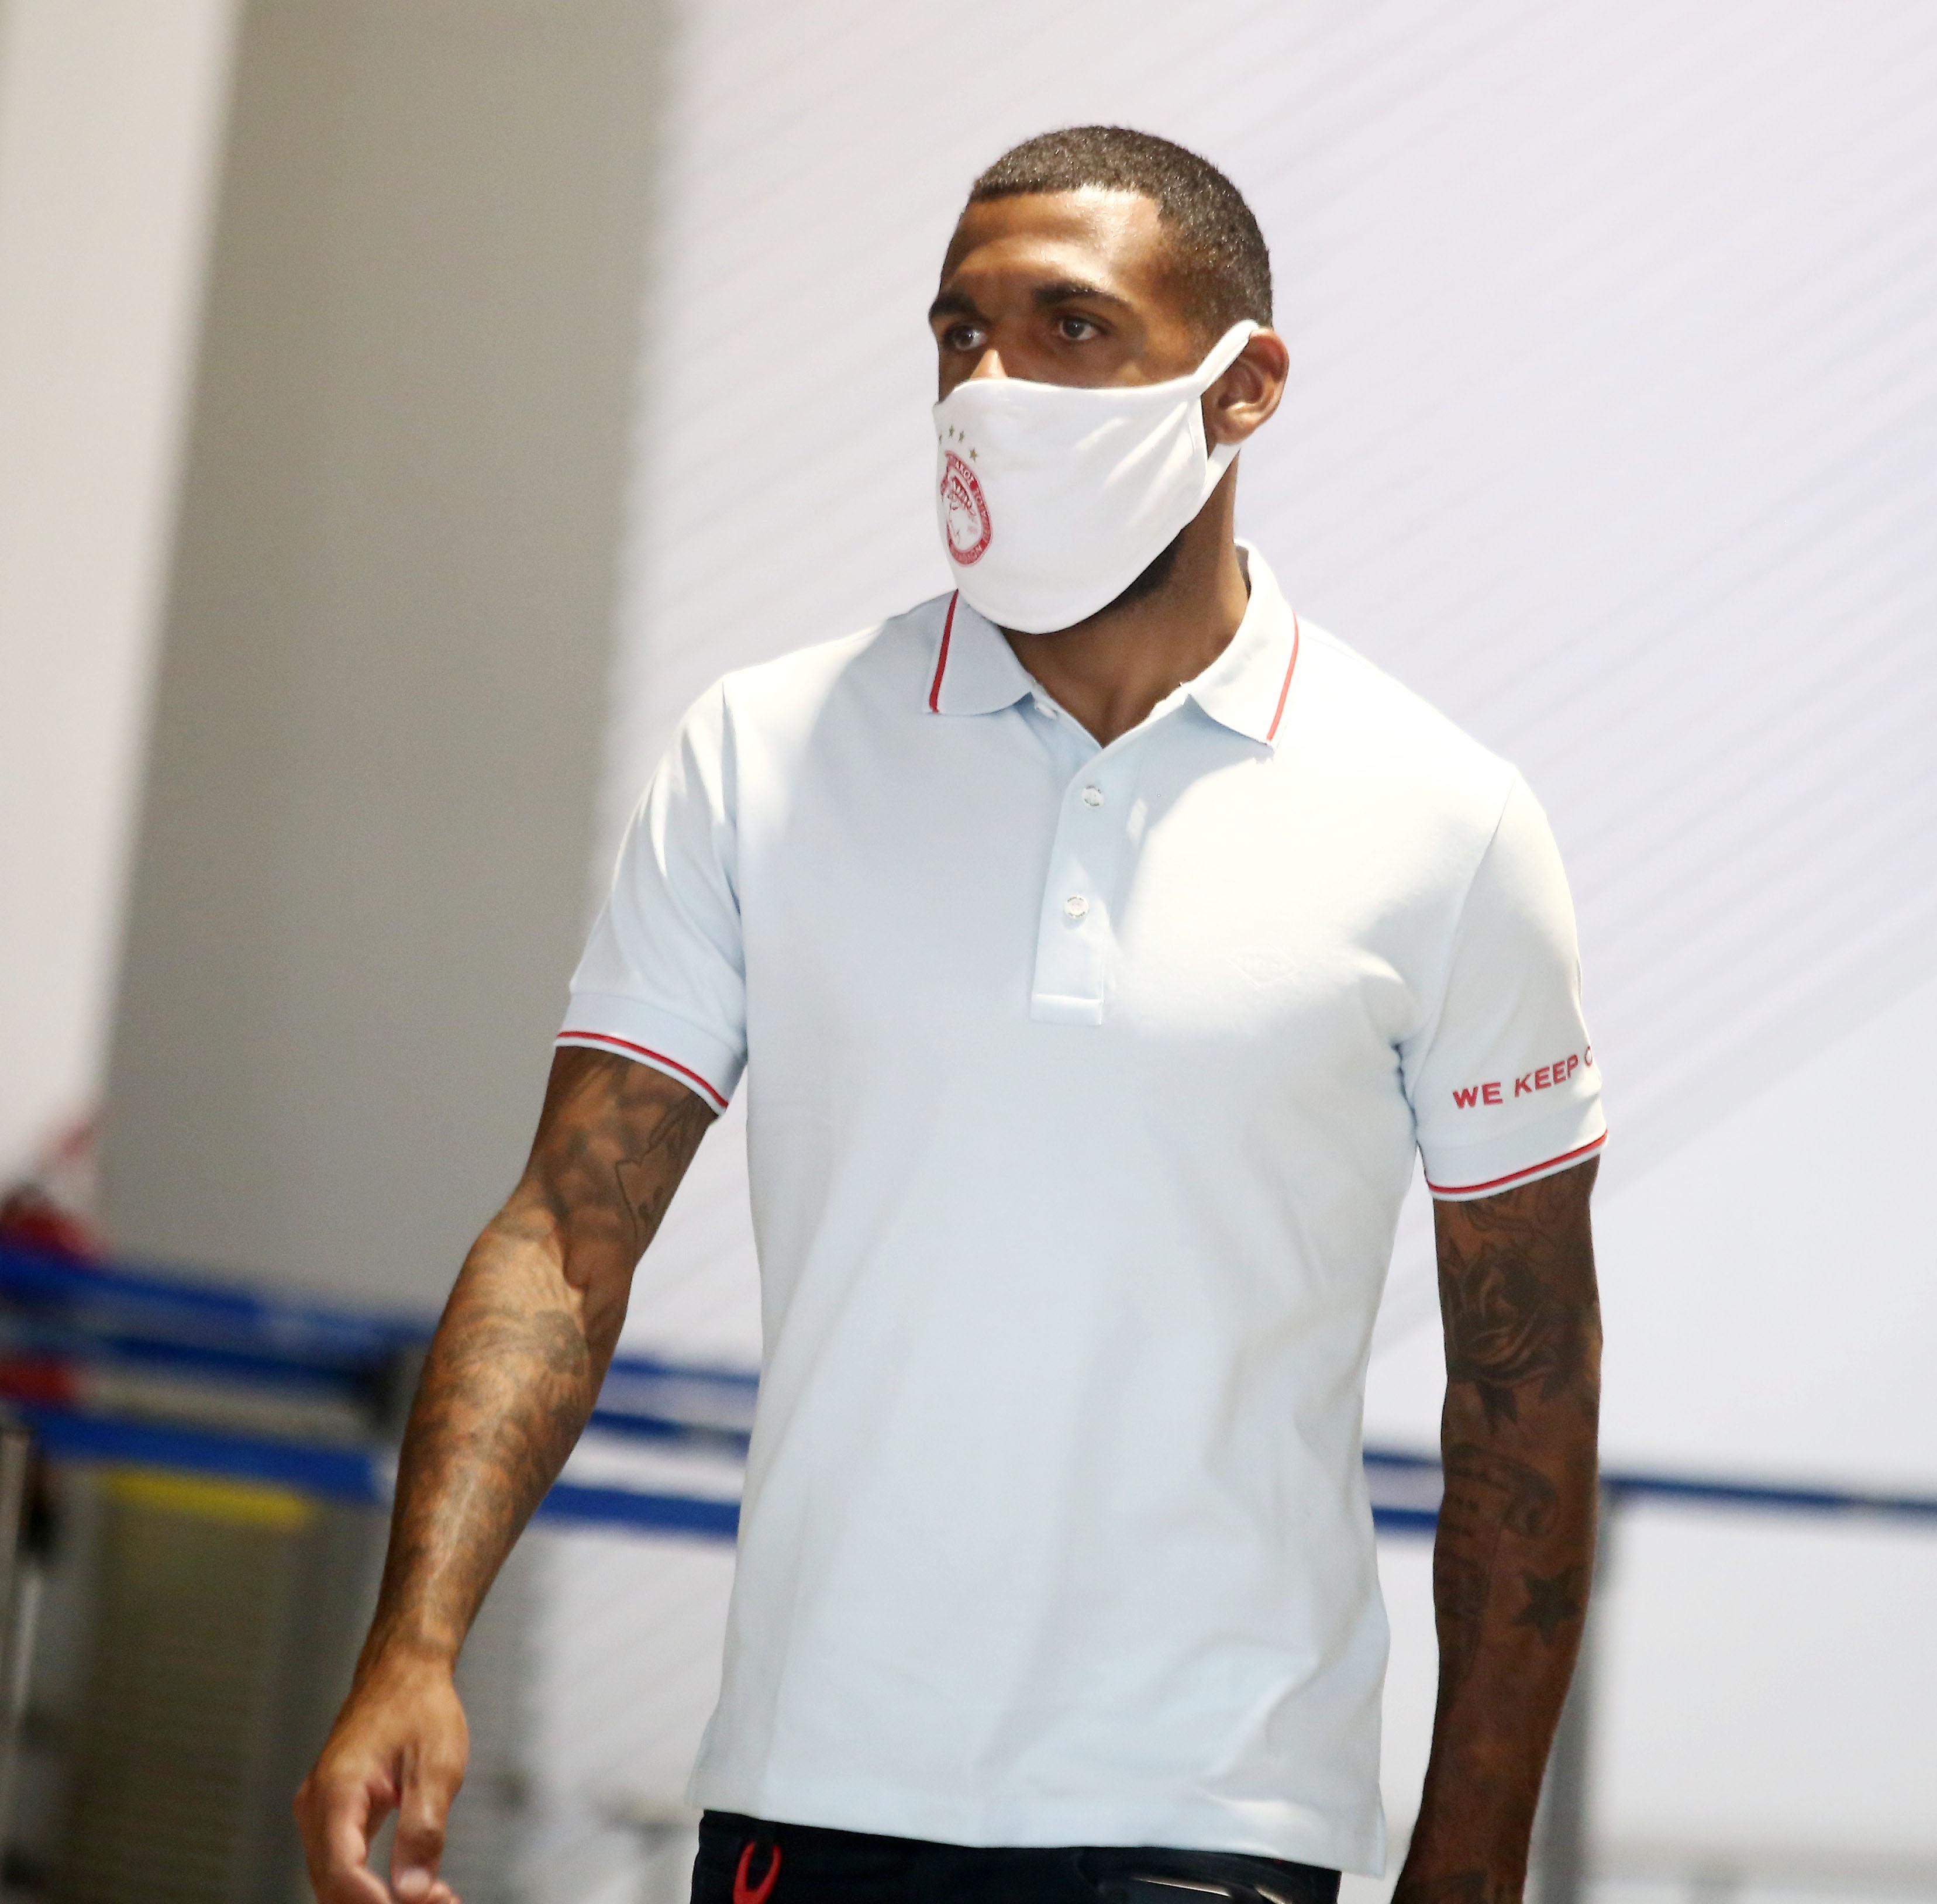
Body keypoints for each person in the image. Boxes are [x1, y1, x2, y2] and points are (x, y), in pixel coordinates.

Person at [297, 126, 1605, 1904]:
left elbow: (1524, 1389)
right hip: (805, 1790)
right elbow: (563, 1240)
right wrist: (415, 1643)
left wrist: (1470, 1870)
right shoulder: (764, 754)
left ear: (1243, 389)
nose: (990, 385)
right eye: (958, 333)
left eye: (1071, 328)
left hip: (1212, 1822)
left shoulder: (1445, 824)